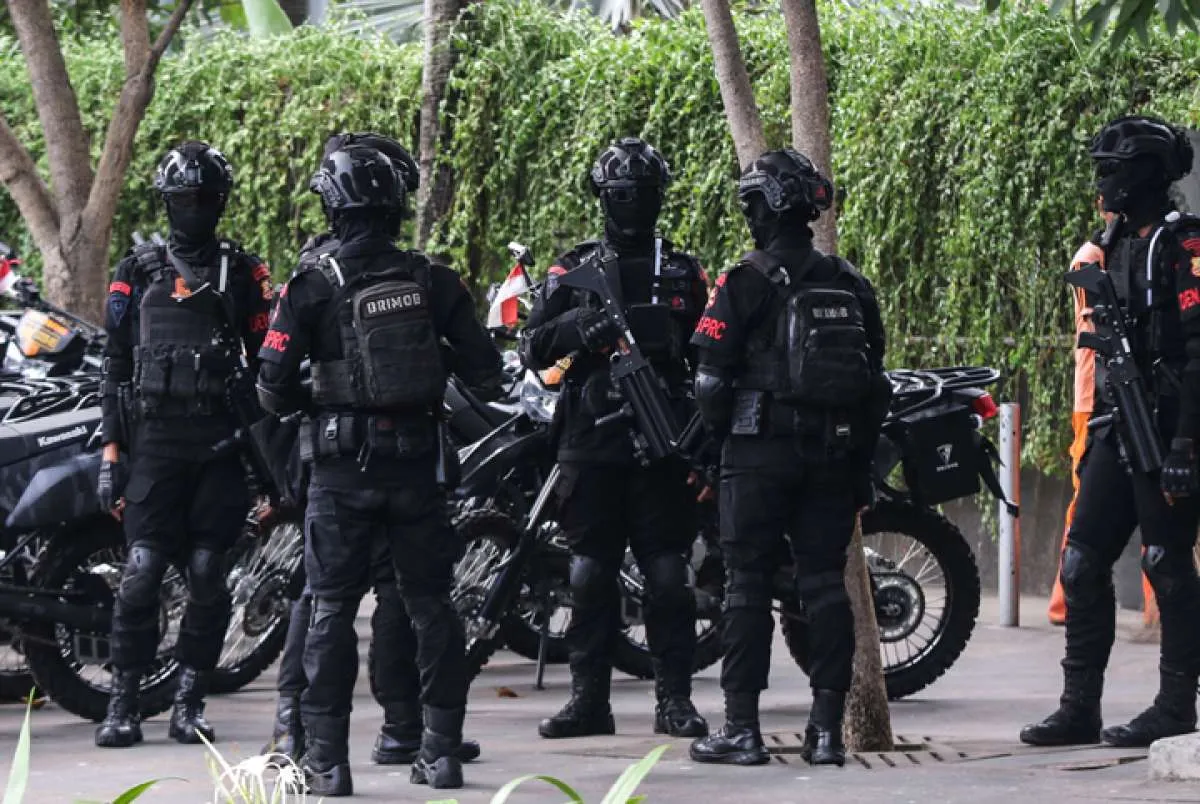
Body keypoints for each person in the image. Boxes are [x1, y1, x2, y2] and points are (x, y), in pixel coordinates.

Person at [255, 139, 503, 794]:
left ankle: (328, 765)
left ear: (333, 205)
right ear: (395, 203)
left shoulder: (309, 286)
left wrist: (325, 388)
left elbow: (272, 387)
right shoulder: (433, 279)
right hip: (418, 470)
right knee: (431, 608)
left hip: (340, 474)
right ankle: (439, 752)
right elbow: (488, 370)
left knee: (332, 609)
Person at [686, 149, 889, 767]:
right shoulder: (850, 282)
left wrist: (713, 451)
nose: (747, 215)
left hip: (757, 453)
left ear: (769, 208)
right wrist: (857, 468)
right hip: (832, 457)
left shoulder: (742, 280)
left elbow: (711, 382)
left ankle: (742, 732)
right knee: (825, 586)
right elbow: (874, 383)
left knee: (745, 585)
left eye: (751, 203)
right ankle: (826, 732)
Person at [520, 137, 709, 740]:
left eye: (643, 194)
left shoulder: (682, 272)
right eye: (621, 194)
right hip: (590, 440)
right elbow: (532, 348)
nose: (632, 204)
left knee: (667, 576)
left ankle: (673, 701)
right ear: (602, 197)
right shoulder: (572, 271)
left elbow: (712, 355)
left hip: (662, 442)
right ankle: (587, 701)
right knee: (588, 575)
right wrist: (582, 325)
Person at [1021, 115, 1200, 749]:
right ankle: (1079, 709)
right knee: (1080, 560)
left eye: (1113, 168)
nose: (1102, 180)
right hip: (1117, 424)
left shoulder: (1184, 245)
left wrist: (1185, 446)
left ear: (1147, 174)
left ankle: (1177, 706)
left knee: (1165, 564)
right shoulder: (1116, 242)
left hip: (1170, 431)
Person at [95, 141, 274, 748]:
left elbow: (265, 367)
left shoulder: (244, 272)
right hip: (156, 447)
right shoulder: (136, 269)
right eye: (183, 198)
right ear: (166, 200)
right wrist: (111, 455)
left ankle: (189, 700)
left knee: (206, 573)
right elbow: (116, 366)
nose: (193, 208)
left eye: (204, 198)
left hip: (220, 449)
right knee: (141, 573)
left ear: (220, 202)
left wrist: (269, 465)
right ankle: (123, 702)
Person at [1048, 201, 1158, 628]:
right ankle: (1066, 602)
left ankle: (1155, 610)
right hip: (1095, 397)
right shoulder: (1093, 257)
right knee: (1086, 501)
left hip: (1111, 393)